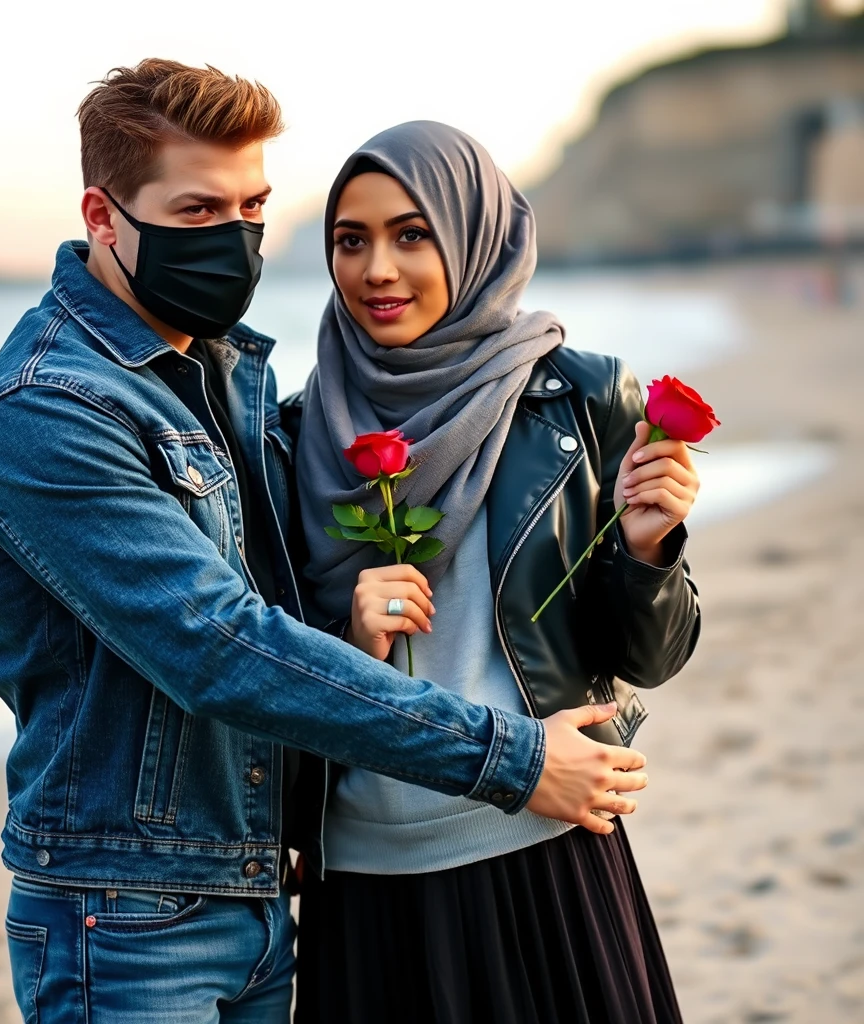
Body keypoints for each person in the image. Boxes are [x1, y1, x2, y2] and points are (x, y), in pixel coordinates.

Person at [0, 66, 651, 1022]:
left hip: (262, 896)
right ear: (103, 218)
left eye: (253, 206)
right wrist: (513, 758)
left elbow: (283, 623)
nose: (234, 238)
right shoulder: (50, 410)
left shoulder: (223, 380)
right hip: (128, 915)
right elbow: (220, 647)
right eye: (197, 208)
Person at [293, 121, 702, 1024]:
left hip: (542, 848)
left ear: (476, 235)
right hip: (364, 879)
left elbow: (652, 654)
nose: (376, 270)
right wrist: (350, 639)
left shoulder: (579, 395)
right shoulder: (298, 434)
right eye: (349, 241)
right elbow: (264, 666)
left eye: (412, 234)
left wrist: (646, 548)